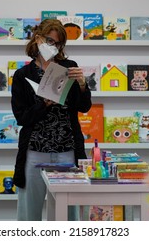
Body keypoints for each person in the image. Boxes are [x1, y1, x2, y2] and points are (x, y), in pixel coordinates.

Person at [11, 19, 92, 221]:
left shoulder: (69, 67)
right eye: (49, 41)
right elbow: (21, 117)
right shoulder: (22, 75)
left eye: (58, 44)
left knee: (69, 214)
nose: (53, 47)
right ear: (38, 38)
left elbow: (83, 106)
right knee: (29, 213)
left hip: (66, 151)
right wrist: (44, 103)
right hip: (35, 152)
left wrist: (82, 85)